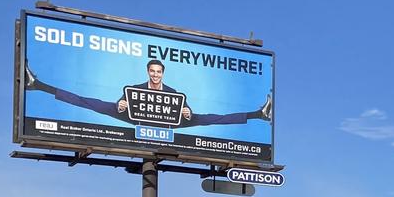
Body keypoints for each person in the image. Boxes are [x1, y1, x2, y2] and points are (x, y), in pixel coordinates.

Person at [25, 59, 271, 126]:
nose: (155, 75)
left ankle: (259, 114)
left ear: (162, 74)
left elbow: (186, 111)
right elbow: (124, 102)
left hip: (169, 126)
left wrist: (187, 113)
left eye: (158, 72)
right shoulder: (136, 90)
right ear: (148, 72)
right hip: (133, 118)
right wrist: (121, 105)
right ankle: (37, 85)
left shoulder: (174, 92)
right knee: (89, 103)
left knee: (211, 118)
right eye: (152, 71)